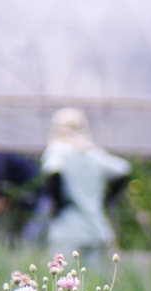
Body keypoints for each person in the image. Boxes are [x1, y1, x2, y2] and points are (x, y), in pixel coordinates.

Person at [42, 108, 130, 265]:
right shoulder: (93, 154)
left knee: (63, 278)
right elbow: (123, 169)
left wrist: (56, 203)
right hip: (96, 227)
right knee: (93, 283)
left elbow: (53, 171)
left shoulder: (58, 150)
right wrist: (107, 199)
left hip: (66, 227)